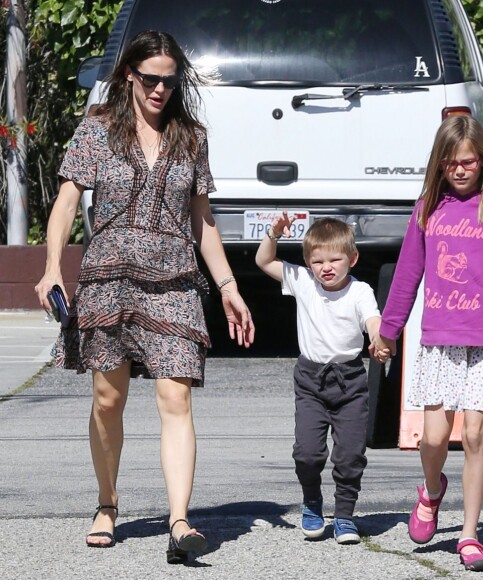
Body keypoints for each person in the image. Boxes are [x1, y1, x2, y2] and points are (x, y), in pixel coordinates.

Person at [34, 30, 255, 563]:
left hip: (175, 285)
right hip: (109, 279)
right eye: (151, 79)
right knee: (108, 401)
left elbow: (202, 221)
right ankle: (107, 504)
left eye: (169, 80)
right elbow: (67, 202)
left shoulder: (192, 137)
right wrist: (50, 269)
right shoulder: (98, 129)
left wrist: (228, 286)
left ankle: (179, 521)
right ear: (129, 74)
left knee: (176, 398)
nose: (160, 90)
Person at [373, 115, 483, 572]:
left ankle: (469, 534)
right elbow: (407, 274)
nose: (461, 170)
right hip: (440, 341)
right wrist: (389, 330)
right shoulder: (429, 207)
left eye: (469, 162)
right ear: (439, 165)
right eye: (451, 164)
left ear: (482, 160)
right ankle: (431, 489)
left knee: (477, 435)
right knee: (436, 436)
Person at [256, 214, 388, 544]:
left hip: (350, 382)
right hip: (311, 381)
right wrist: (273, 233)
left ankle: (344, 516)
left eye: (334, 259)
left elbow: (373, 320)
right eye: (317, 260)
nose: (325, 267)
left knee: (349, 456)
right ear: (308, 263)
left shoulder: (360, 292)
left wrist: (377, 338)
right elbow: (263, 260)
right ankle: (312, 503)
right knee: (308, 453)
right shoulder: (302, 282)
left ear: (352, 258)